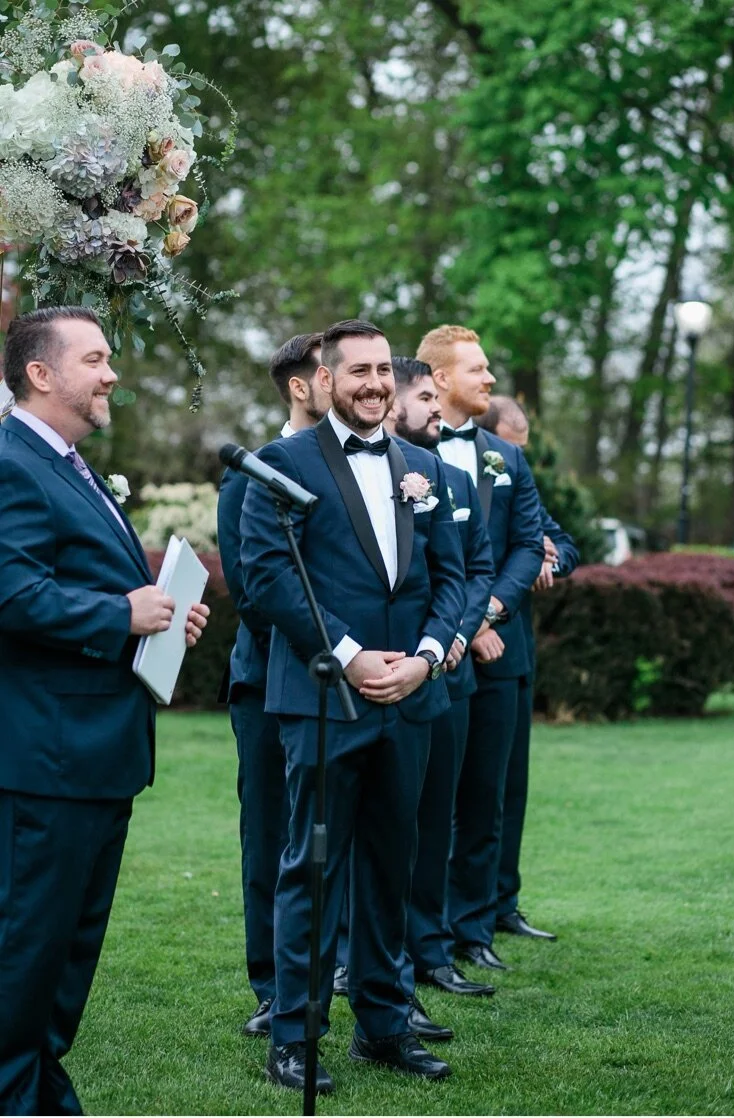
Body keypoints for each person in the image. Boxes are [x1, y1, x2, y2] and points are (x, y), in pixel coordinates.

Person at [239, 319, 468, 1091]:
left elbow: (453, 579)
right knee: (313, 866)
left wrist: (428, 659)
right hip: (324, 697)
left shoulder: (421, 466)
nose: (374, 383)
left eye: (382, 370)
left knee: (390, 868)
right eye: (358, 371)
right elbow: (267, 577)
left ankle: (383, 1022)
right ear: (326, 380)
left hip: (409, 701)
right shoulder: (280, 463)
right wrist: (349, 654)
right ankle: (295, 1036)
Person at [0, 306, 209, 1114]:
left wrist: (161, 615)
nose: (112, 372)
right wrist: (119, 616)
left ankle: (43, 1090)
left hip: (99, 756)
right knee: (23, 960)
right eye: (95, 358)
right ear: (40, 374)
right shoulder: (13, 461)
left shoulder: (74, 465)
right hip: (44, 761)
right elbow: (13, 592)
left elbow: (83, 584)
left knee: (62, 967)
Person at [418, 325, 545, 975]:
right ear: (439, 378)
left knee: (485, 797)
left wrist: (488, 612)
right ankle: (420, 931)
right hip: (427, 654)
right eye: (477, 370)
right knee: (424, 799)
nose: (490, 379)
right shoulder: (406, 450)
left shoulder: (507, 458)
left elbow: (529, 545)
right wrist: (459, 627)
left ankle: (472, 927)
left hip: (494, 650)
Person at [218, 332, 326, 1039]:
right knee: (271, 837)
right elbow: (252, 590)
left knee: (328, 838)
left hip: (346, 684)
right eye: (330, 372)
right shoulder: (251, 474)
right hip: (267, 682)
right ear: (300, 385)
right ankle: (271, 985)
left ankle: (333, 970)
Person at [386, 357, 498, 1017]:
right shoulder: (369, 479)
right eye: (424, 398)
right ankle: (371, 956)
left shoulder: (451, 479)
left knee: (435, 824)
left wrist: (455, 634)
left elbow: (471, 566)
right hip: (378, 679)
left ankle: (431, 951)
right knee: (384, 828)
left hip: (447, 678)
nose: (435, 408)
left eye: (436, 396)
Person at [481, 394, 579, 943]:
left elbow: (564, 543)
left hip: (514, 652)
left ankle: (503, 901)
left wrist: (549, 558)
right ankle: (465, 910)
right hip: (472, 645)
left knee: (511, 790)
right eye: (511, 449)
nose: (517, 462)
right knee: (476, 796)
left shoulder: (515, 478)